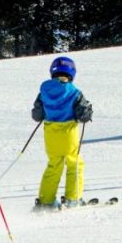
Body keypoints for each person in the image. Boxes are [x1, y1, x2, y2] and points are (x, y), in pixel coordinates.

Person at [31, 55, 93, 210]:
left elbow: (37, 115)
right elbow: (83, 114)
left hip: (51, 134)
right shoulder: (74, 92)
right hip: (68, 133)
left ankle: (46, 201)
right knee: (75, 163)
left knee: (54, 165)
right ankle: (73, 199)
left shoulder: (44, 91)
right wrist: (88, 112)